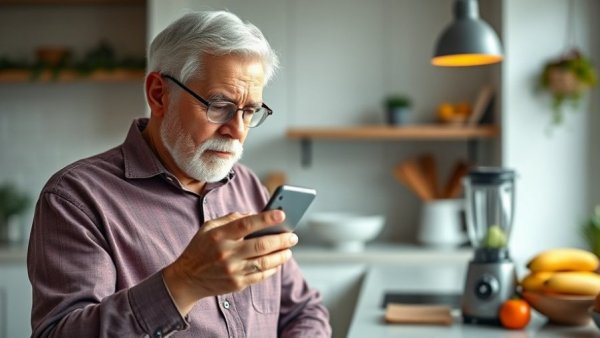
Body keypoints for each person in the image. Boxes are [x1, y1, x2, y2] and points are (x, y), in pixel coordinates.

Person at [27, 10, 331, 337]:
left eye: (250, 111)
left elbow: (305, 311)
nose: (237, 130)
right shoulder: (77, 200)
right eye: (219, 106)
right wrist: (183, 283)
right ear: (159, 94)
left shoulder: (248, 187)